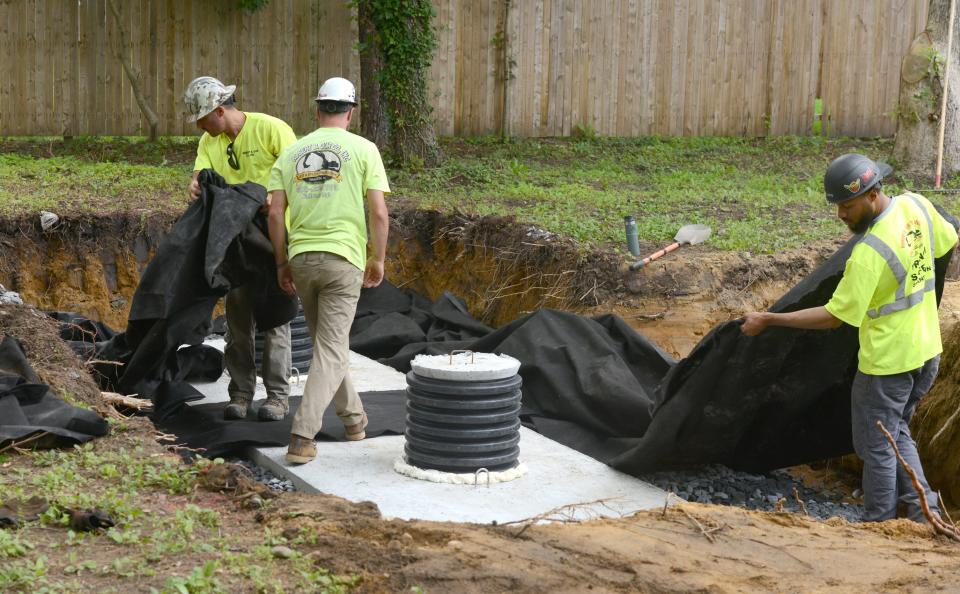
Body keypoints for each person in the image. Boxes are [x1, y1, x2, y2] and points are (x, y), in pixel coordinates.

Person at [741, 153, 958, 523]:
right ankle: (926, 511)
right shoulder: (916, 205)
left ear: (873, 194)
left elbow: (834, 317)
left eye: (848, 205)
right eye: (838, 206)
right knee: (895, 432)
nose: (841, 214)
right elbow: (947, 239)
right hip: (926, 351)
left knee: (876, 445)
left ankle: (878, 521)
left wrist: (769, 318)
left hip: (889, 362)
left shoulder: (870, 252)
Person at [266, 77, 390, 464]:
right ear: (350, 112)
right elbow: (379, 213)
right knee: (332, 349)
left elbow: (273, 212)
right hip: (342, 260)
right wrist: (378, 257)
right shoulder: (365, 149)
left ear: (317, 110)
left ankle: (354, 420)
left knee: (328, 347)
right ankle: (302, 435)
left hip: (302, 259)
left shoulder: (292, 153)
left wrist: (281, 261)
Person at [183, 76, 298, 422]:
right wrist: (195, 185)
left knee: (276, 318)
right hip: (235, 241)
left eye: (203, 119)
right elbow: (200, 176)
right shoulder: (210, 141)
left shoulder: (271, 130)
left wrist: (276, 197)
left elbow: (299, 176)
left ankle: (277, 397)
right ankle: (241, 394)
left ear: (219, 111)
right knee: (237, 319)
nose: (200, 127)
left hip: (273, 237)